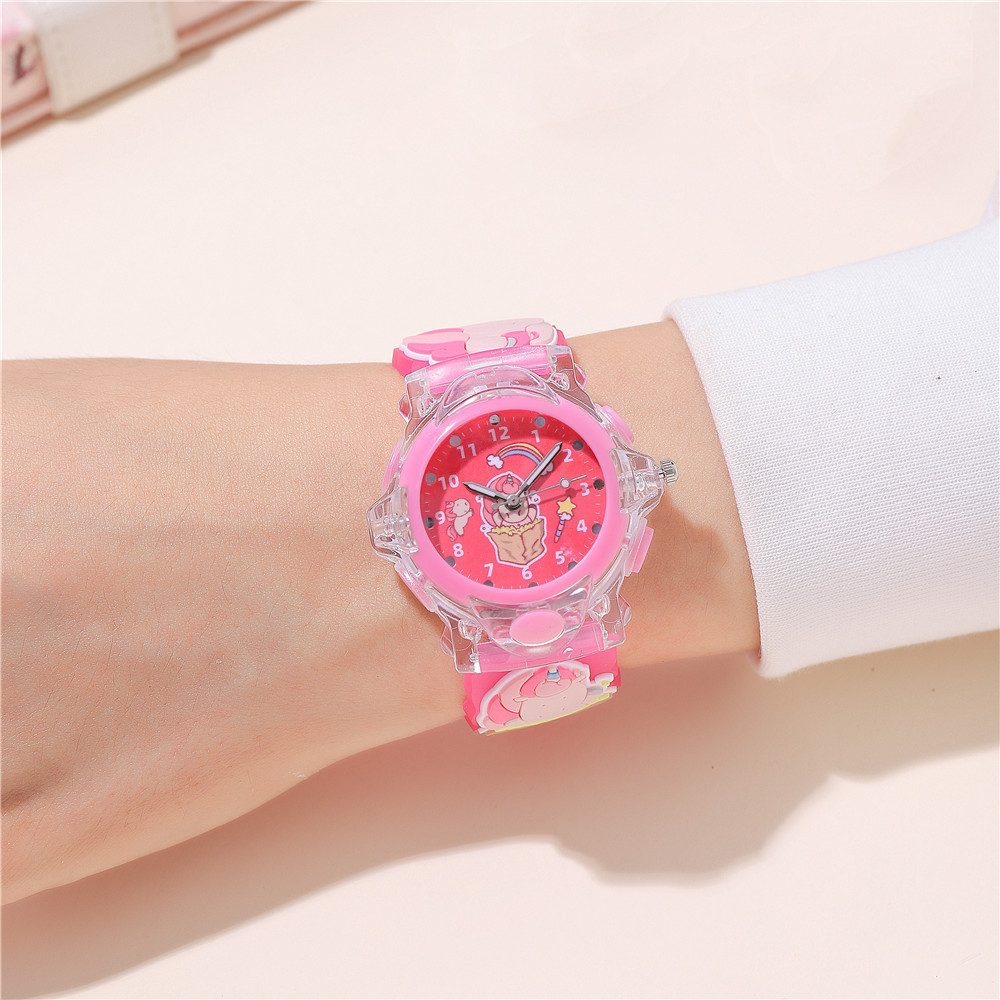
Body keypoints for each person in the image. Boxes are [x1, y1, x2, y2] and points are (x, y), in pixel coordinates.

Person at [2, 207, 996, 904]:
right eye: (497, 493)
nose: (513, 501)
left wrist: (301, 531)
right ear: (398, 528)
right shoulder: (444, 507)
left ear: (636, 483)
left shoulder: (615, 503)